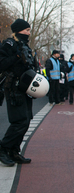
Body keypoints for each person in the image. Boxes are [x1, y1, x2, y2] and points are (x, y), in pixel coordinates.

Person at [0, 19, 36, 166]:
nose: (28, 33)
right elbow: (1, 64)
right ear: (18, 30)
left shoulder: (25, 46)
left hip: (25, 88)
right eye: (26, 30)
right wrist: (16, 57)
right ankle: (3, 148)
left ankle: (14, 151)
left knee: (26, 120)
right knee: (19, 121)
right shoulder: (9, 44)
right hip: (13, 87)